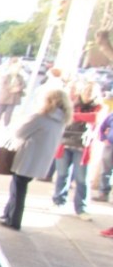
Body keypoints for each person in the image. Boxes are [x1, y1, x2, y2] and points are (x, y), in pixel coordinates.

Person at [0, 89, 71, 231]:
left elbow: (20, 132)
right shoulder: (62, 120)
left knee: (18, 189)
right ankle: (7, 215)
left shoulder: (41, 117)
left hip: (28, 157)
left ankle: (13, 220)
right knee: (18, 187)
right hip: (41, 160)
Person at [51, 81, 101, 220]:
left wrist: (74, 116)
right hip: (65, 144)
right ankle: (58, 201)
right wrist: (78, 116)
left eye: (91, 92)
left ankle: (81, 208)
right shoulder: (72, 104)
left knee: (82, 179)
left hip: (83, 149)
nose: (88, 94)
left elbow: (95, 118)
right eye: (86, 90)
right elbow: (61, 115)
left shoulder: (98, 107)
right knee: (62, 175)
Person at [0, 60, 26, 127]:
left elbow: (24, 84)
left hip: (14, 98)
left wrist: (19, 88)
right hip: (4, 96)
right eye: (15, 69)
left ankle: (6, 125)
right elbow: (3, 84)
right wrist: (11, 89)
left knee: (9, 113)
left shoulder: (20, 77)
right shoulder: (6, 76)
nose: (16, 70)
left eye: (18, 69)